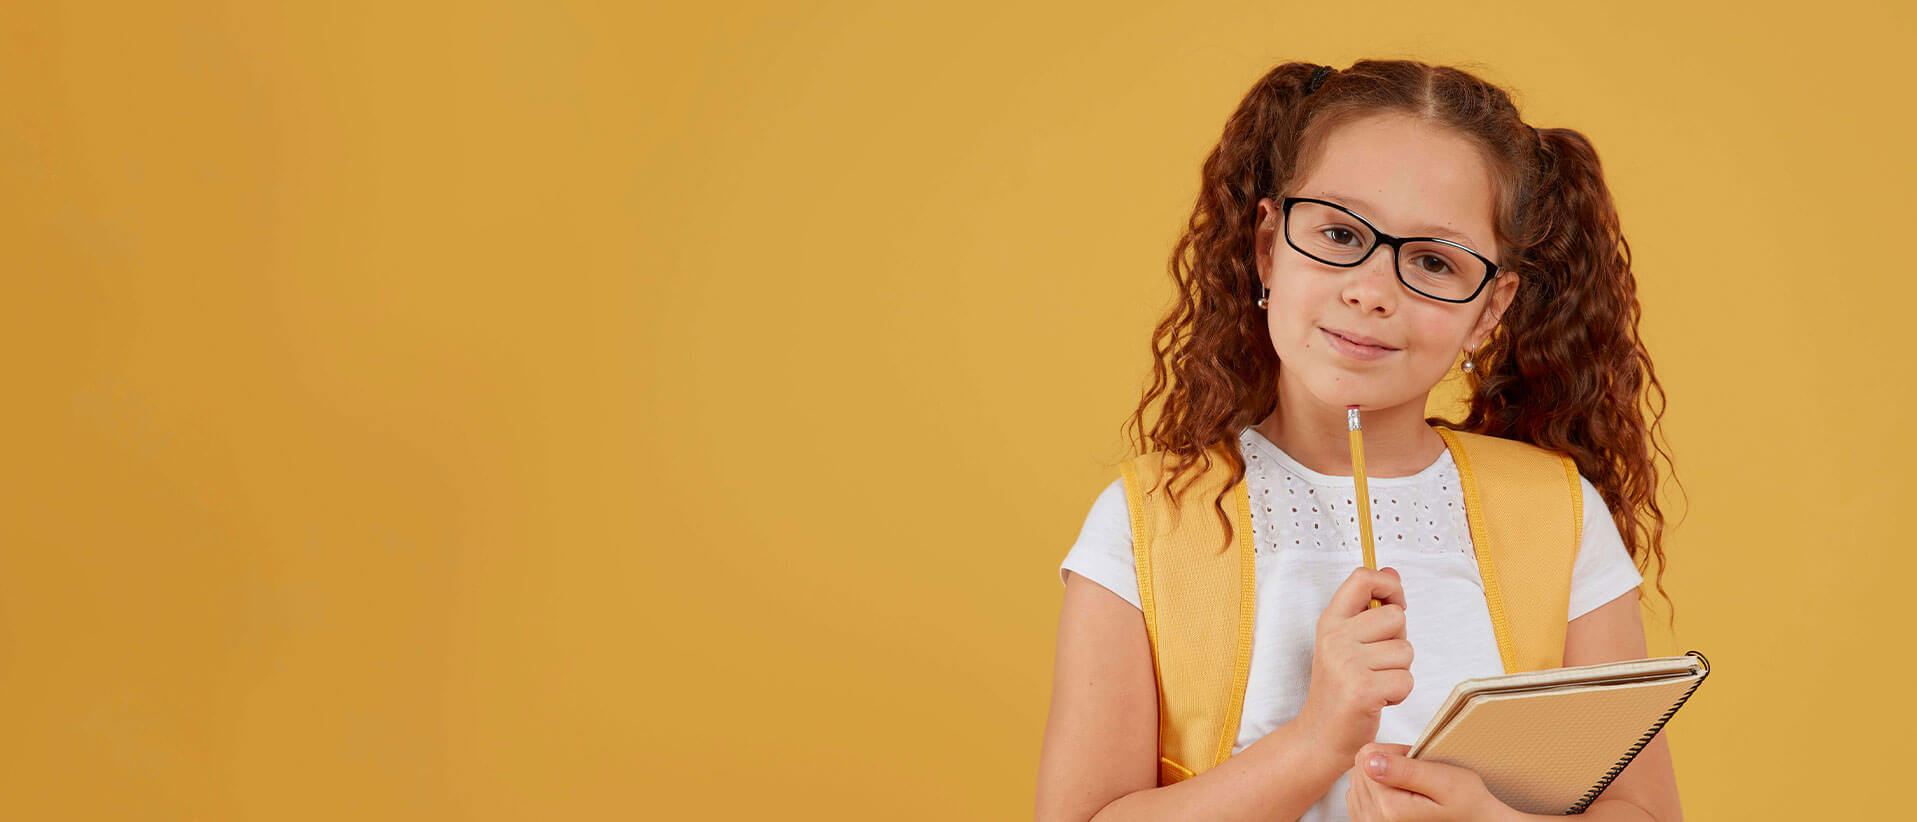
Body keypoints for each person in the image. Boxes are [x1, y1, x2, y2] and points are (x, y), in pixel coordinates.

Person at [1034, 59, 1684, 822]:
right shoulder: (1149, 523)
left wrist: (1488, 819)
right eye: (1339, 233)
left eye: (1433, 261)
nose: (1371, 291)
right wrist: (1316, 741)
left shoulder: (1558, 516)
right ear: (1267, 247)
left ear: (1488, 310)